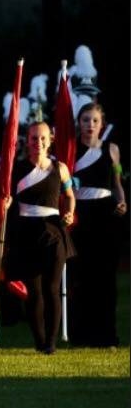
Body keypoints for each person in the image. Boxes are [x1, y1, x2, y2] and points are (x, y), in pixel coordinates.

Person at [3, 121, 75, 354]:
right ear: (27, 140)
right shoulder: (17, 168)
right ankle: (39, 341)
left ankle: (51, 343)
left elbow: (70, 195)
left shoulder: (60, 168)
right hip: (26, 232)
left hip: (53, 231)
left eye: (43, 138)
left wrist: (70, 212)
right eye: (34, 138)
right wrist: (6, 203)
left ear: (50, 140)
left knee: (52, 288)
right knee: (33, 292)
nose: (39, 142)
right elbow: (8, 197)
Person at [68, 102, 126, 347]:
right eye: (85, 120)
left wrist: (122, 201)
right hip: (80, 215)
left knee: (105, 277)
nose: (89, 125)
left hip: (105, 217)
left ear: (102, 124)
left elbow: (117, 181)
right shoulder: (70, 150)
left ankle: (106, 335)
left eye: (94, 120)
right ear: (78, 123)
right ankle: (80, 335)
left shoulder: (112, 149)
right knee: (80, 276)